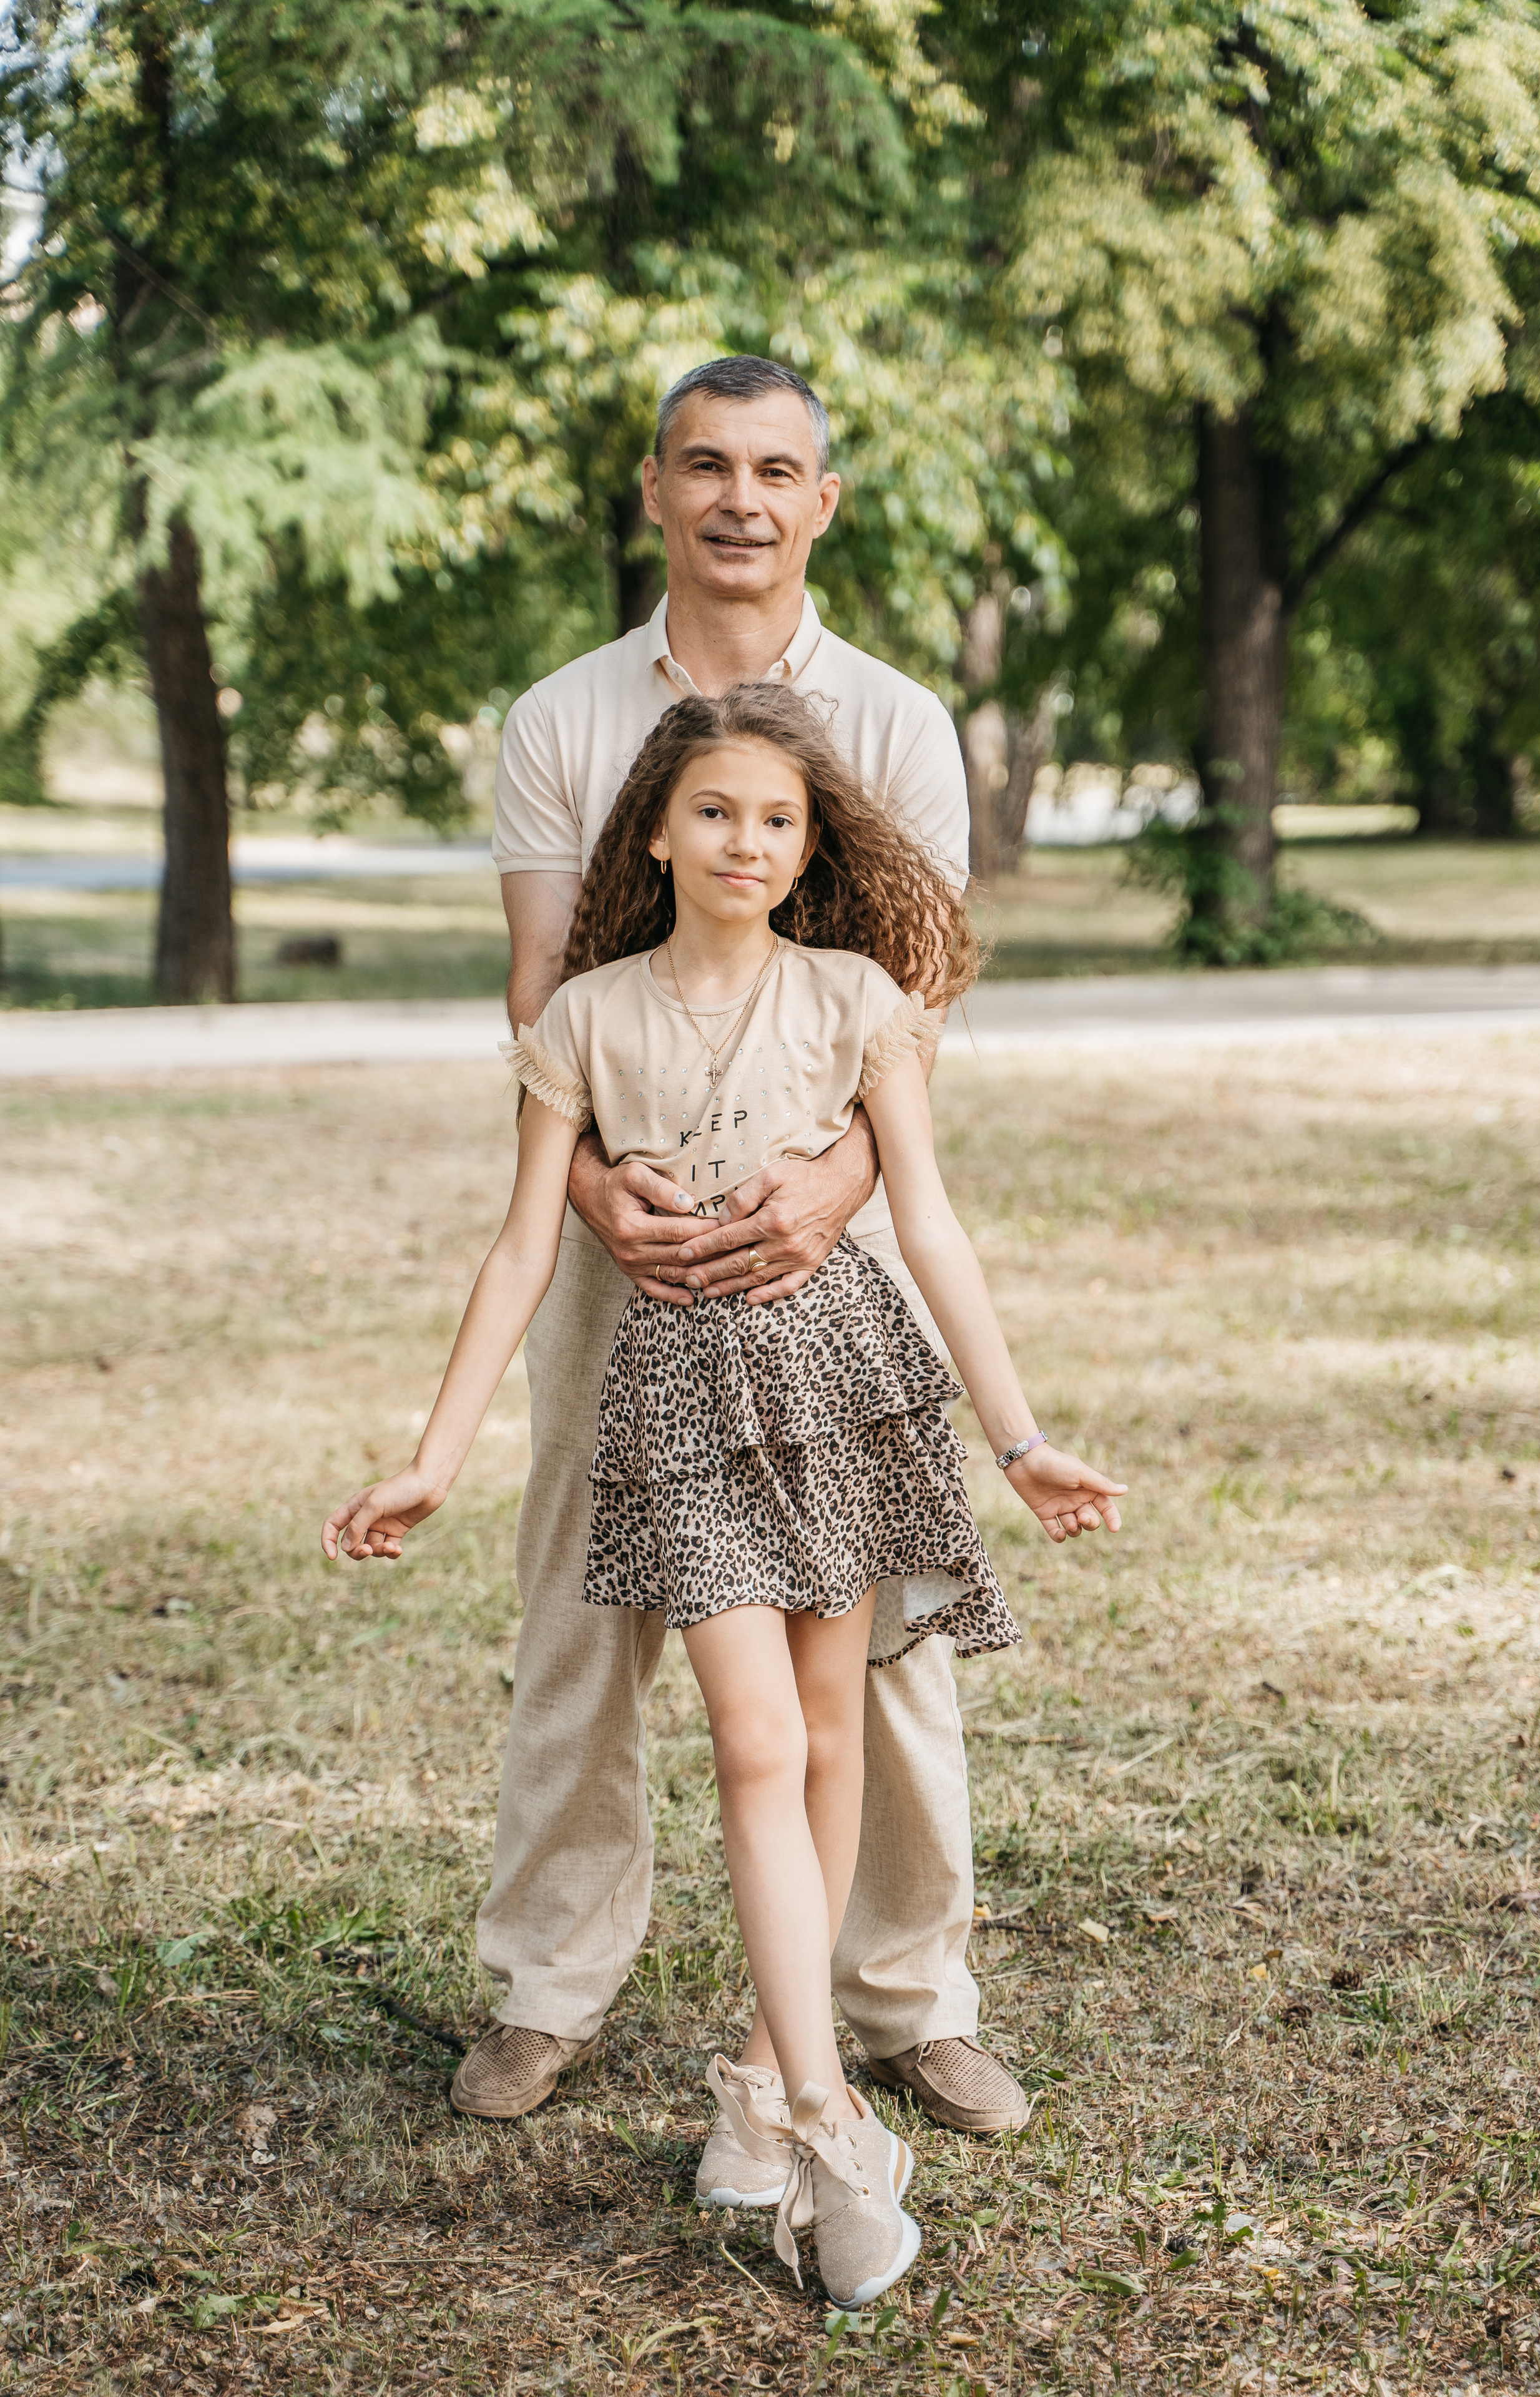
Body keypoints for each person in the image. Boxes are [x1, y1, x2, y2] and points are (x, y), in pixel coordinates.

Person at [323, 683, 1127, 2304]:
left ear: (811, 844)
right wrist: (433, 1457)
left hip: (840, 1387)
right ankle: (832, 2126)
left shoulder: (855, 999)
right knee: (755, 1742)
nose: (745, 841)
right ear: (657, 834)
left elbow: (932, 1222)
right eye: (714, 811)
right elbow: (520, 1250)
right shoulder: (583, 1021)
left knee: (828, 1743)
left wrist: (1022, 1438)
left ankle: (770, 2077)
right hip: (678, 1406)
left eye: (777, 818)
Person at [458, 353, 1034, 2170]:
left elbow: (916, 1000)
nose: (740, 499)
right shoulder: (564, 718)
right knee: (584, 1589)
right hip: (621, 1213)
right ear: (654, 489)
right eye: (705, 465)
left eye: (777, 470)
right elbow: (543, 990)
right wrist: (594, 1197)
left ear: (822, 502)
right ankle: (551, 1981)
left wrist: (834, 1188)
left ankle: (909, 1998)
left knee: (865, 1636)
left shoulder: (898, 721)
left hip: (827, 1233)